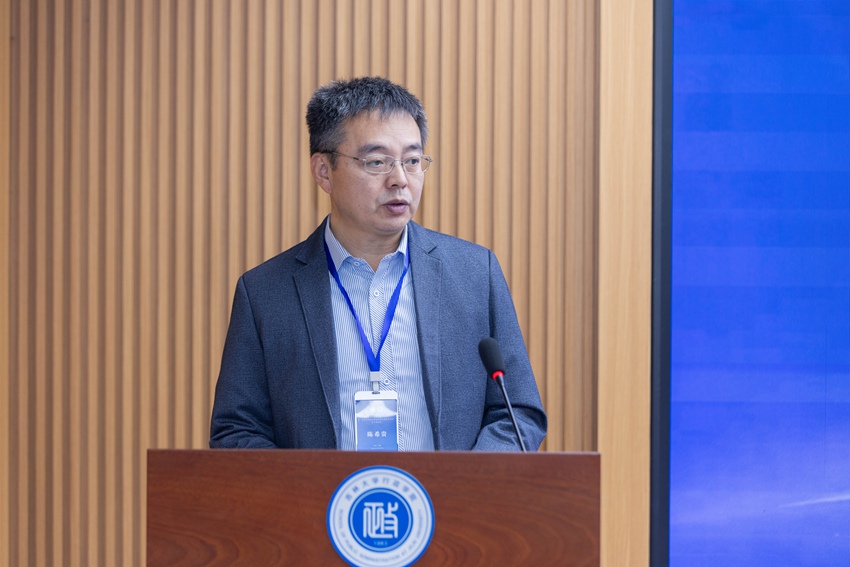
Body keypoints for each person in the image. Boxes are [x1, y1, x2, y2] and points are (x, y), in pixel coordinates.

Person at [209, 76, 547, 451]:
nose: (400, 179)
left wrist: (466, 482)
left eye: (412, 161)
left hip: (448, 492)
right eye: (377, 162)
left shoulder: (474, 275)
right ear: (324, 171)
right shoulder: (266, 294)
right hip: (325, 493)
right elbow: (236, 431)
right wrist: (308, 487)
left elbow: (517, 413)